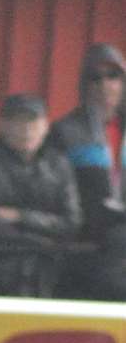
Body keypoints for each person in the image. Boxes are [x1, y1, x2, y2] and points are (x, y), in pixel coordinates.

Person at [0, 94, 81, 297]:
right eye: (18, 122)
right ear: (2, 125)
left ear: (46, 127)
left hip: (49, 276)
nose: (26, 130)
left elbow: (72, 222)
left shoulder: (59, 165)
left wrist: (20, 216)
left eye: (33, 122)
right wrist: (38, 240)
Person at [49, 43, 126, 300]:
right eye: (96, 78)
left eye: (113, 76)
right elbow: (54, 189)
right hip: (86, 239)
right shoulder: (65, 131)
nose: (105, 85)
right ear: (85, 85)